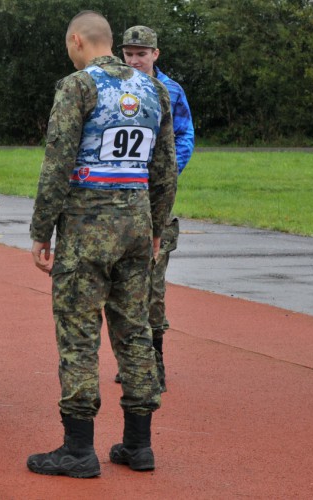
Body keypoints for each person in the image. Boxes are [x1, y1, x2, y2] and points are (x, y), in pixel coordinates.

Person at [26, 11, 177, 478]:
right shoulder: (153, 89)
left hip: (86, 227)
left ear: (77, 41)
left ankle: (78, 449)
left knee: (78, 334)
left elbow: (57, 163)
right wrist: (155, 225)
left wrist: (40, 231)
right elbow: (165, 166)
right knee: (134, 332)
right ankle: (138, 445)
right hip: (135, 224)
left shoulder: (78, 86)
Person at [118, 25, 195, 392]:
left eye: (141, 54)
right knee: (118, 284)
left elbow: (185, 137)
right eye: (128, 54)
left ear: (155, 55)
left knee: (153, 283)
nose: (134, 60)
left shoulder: (171, 92)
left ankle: (156, 361)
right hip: (117, 197)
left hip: (154, 198)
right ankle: (130, 357)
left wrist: (164, 173)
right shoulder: (113, 88)